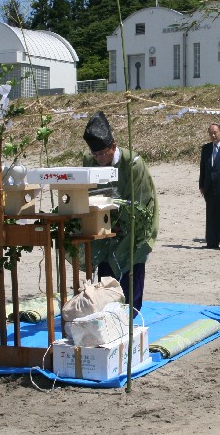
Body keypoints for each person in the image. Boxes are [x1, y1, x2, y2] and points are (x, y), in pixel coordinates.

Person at [82, 111, 159, 314]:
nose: (98, 159)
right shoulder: (89, 161)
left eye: (102, 154)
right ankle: (106, 310)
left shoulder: (133, 163)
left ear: (113, 146)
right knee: (106, 270)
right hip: (104, 225)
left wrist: (119, 219)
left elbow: (141, 201)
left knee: (131, 266)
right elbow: (86, 192)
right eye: (95, 154)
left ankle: (131, 313)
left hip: (133, 224)